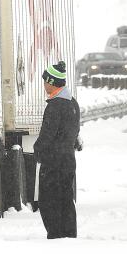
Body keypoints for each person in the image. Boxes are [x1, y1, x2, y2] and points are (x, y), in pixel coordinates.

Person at [33, 61, 81, 239]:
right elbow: (74, 132)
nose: (44, 85)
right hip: (68, 159)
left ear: (51, 82)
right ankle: (69, 234)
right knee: (66, 198)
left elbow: (47, 134)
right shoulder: (72, 103)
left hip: (53, 161)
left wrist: (38, 150)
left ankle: (56, 236)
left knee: (49, 200)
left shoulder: (55, 106)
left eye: (45, 81)